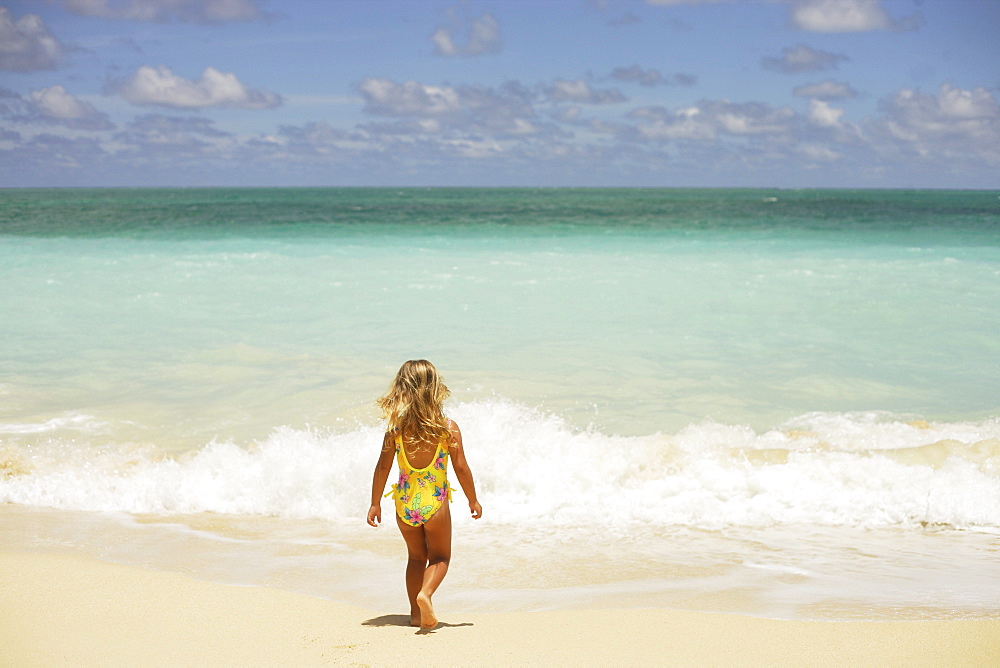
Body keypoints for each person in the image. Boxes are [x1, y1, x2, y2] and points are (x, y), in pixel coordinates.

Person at [367, 360, 482, 629]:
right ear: (435, 388)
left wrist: (375, 503)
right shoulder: (447, 427)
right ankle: (425, 595)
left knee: (416, 558)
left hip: (404, 502)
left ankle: (416, 615)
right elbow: (461, 466)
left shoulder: (395, 430)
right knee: (440, 557)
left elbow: (382, 467)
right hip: (435, 502)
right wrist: (472, 499)